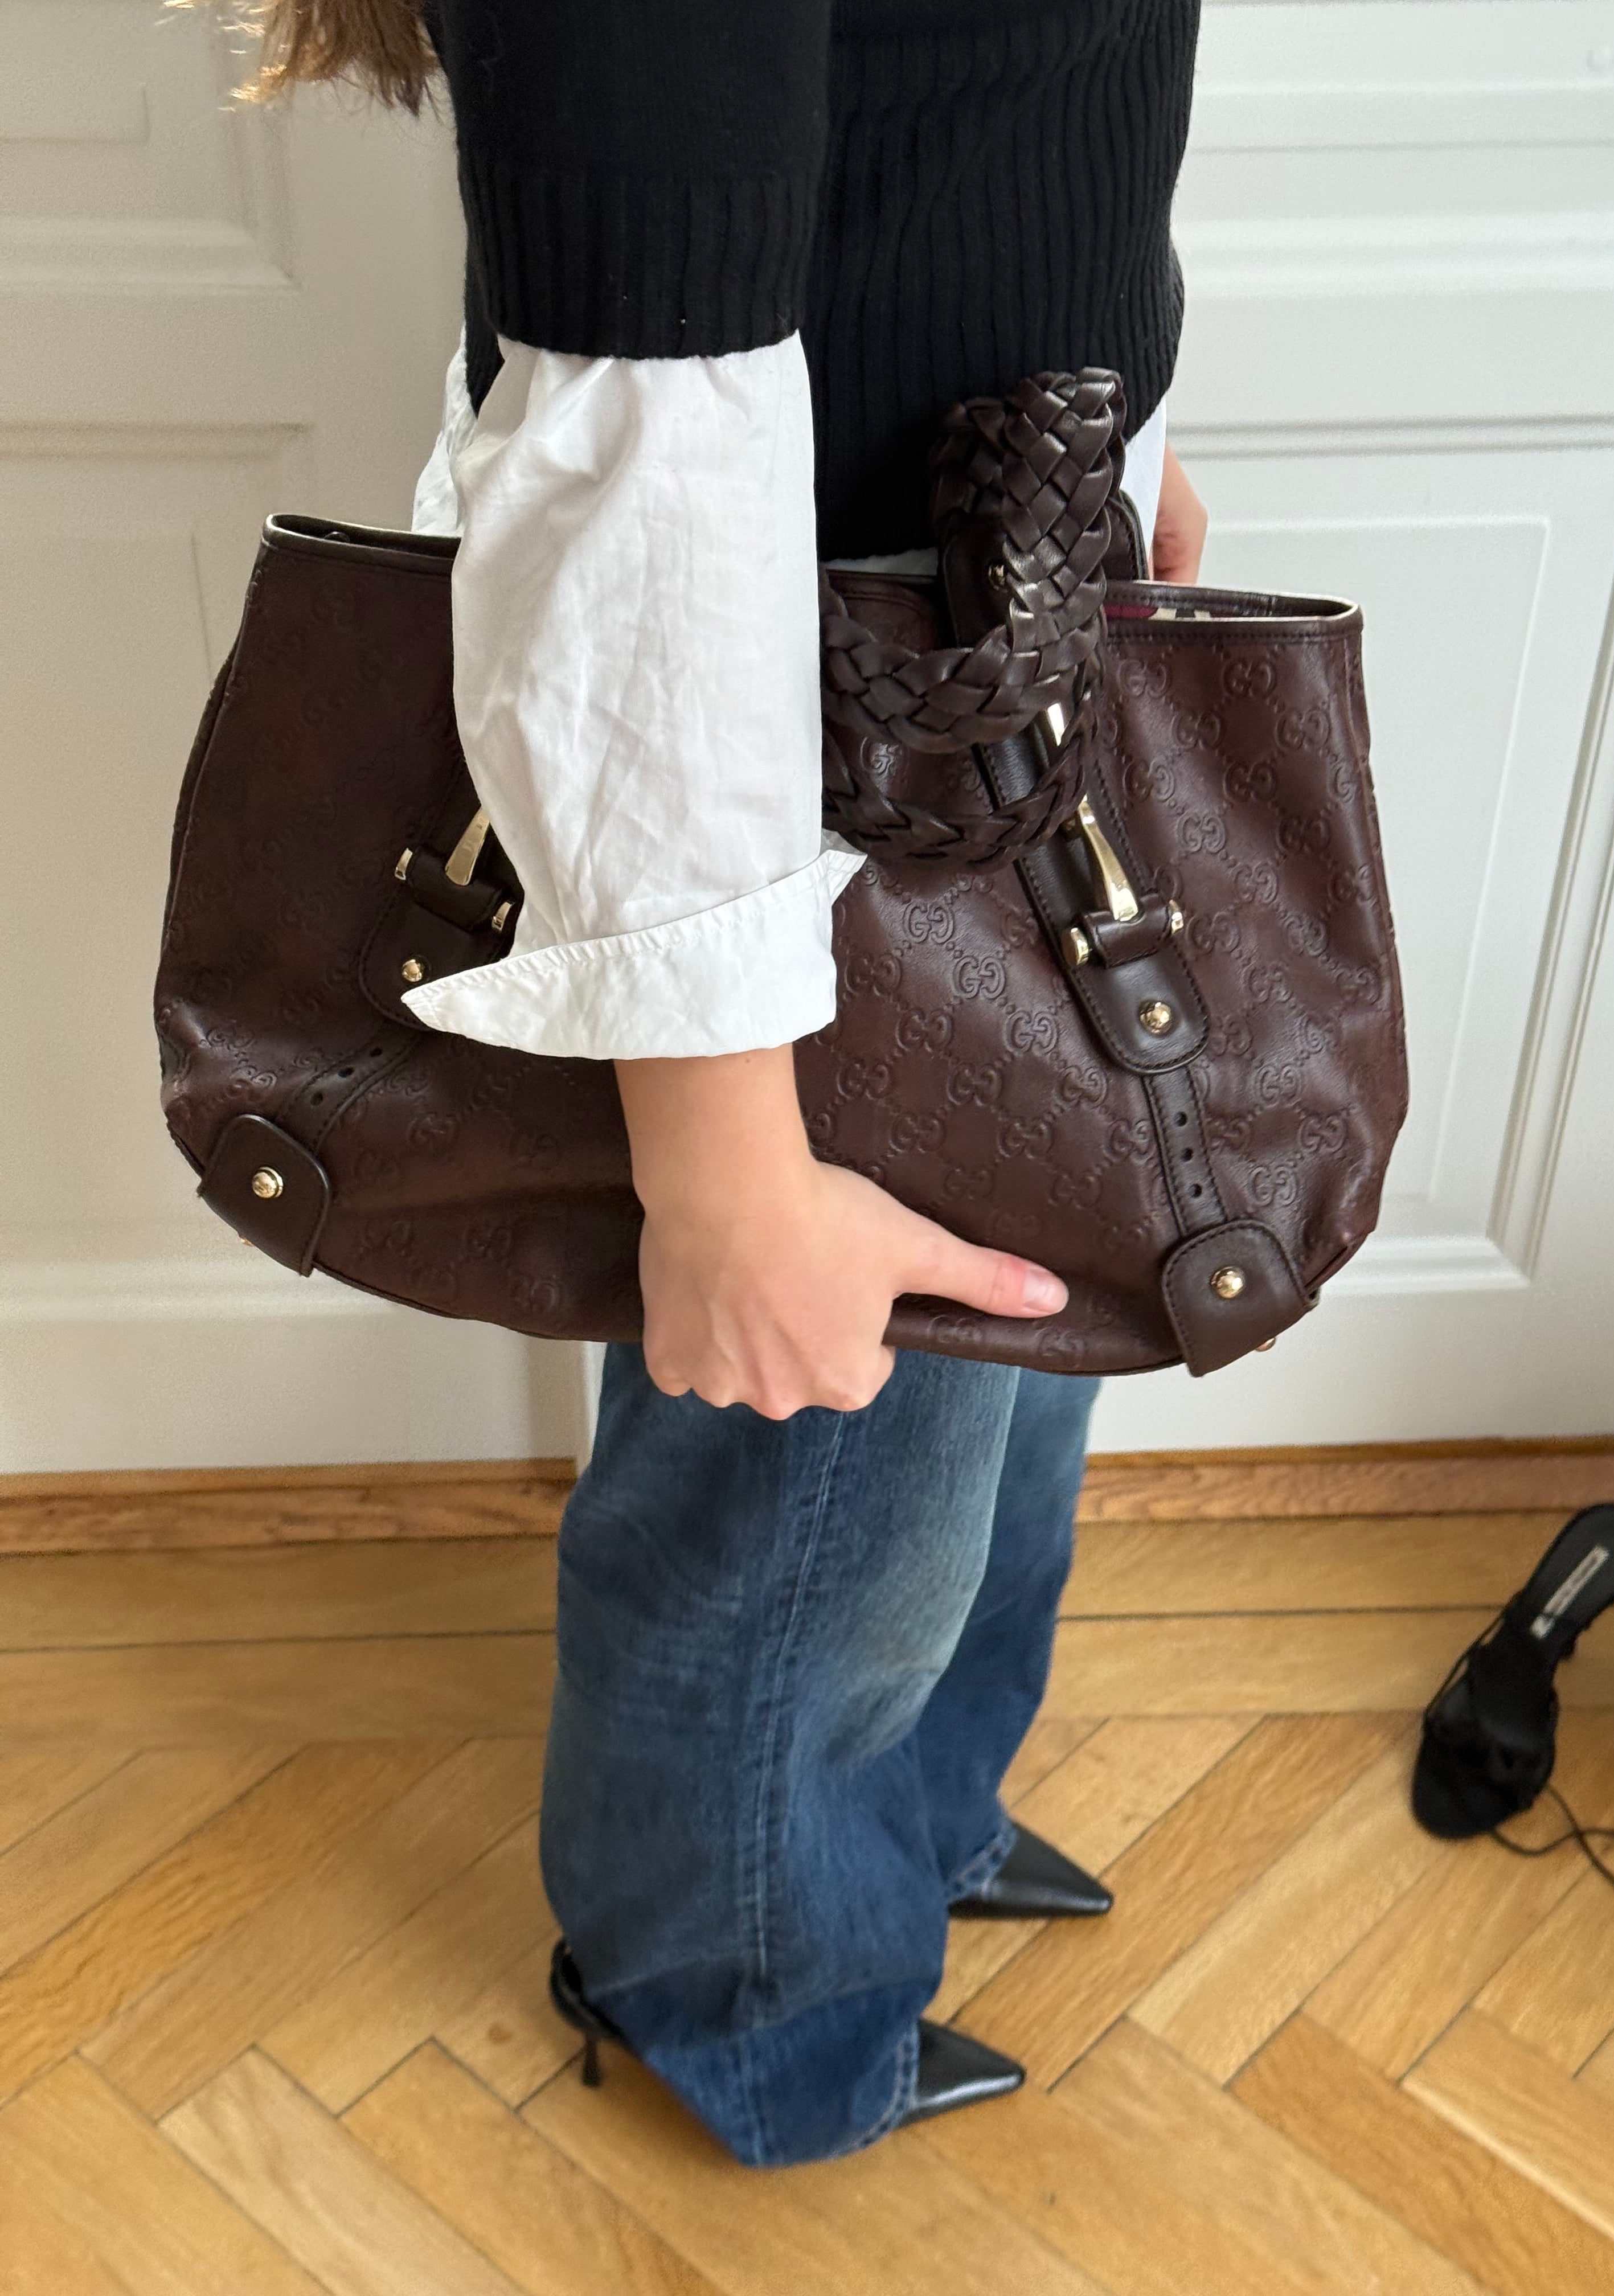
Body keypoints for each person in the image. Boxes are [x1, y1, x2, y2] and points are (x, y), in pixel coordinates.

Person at [238, 0, 1205, 2164]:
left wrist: (1134, 463)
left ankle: (911, 1824)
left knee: (988, 1418)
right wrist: (725, 1167)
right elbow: (640, 452)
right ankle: (744, 1998)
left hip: (997, 626)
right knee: (815, 1504)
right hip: (793, 755)